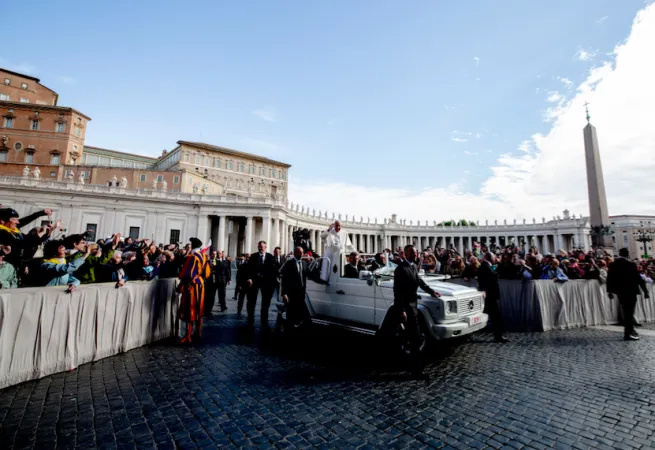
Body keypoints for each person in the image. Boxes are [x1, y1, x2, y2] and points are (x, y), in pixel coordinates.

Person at [392, 244, 440, 376]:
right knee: (414, 338)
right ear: (406, 254)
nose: (415, 254)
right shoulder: (400, 269)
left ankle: (414, 367)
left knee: (414, 338)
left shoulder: (413, 266)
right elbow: (397, 292)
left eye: (416, 252)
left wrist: (432, 292)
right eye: (412, 253)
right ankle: (416, 369)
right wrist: (401, 310)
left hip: (413, 306)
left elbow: (420, 282)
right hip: (407, 308)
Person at [607, 248, 649, 341]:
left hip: (620, 291)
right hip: (631, 290)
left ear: (620, 253)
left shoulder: (614, 264)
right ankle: (628, 332)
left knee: (626, 311)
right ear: (627, 254)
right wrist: (645, 291)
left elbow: (609, 278)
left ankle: (630, 331)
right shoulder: (631, 264)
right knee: (630, 312)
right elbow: (638, 279)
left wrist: (609, 291)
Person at [178, 238, 211, 344]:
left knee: (189, 308)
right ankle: (198, 332)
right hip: (200, 283)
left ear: (192, 246)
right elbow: (207, 273)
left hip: (191, 285)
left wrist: (181, 286)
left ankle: (188, 335)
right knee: (199, 308)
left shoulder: (191, 257)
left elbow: (186, 274)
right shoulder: (204, 256)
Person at [477, 252, 509, 343]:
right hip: (490, 295)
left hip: (489, 294)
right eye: (494, 256)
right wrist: (499, 265)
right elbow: (491, 277)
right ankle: (498, 336)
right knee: (496, 316)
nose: (495, 258)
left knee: (494, 316)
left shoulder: (486, 266)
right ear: (490, 257)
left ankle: (498, 335)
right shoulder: (485, 266)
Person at [246, 241, 277, 331]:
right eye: (259, 247)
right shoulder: (253, 256)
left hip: (266, 283)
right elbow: (249, 269)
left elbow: (273, 270)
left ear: (266, 247)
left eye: (262, 247)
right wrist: (249, 278)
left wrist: (272, 282)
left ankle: (264, 323)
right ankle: (250, 322)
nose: (260, 248)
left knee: (265, 305)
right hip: (254, 282)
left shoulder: (270, 257)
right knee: (251, 303)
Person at [279, 246, 311, 329]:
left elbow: (311, 274)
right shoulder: (289, 263)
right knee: (290, 313)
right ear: (295, 253)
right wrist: (284, 294)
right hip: (291, 294)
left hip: (301, 293)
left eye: (302, 252)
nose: (301, 254)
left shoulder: (304, 263)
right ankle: (288, 331)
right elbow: (284, 280)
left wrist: (322, 281)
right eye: (299, 252)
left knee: (300, 313)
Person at [205, 250, 231, 316]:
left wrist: (228, 279)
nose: (216, 255)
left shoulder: (223, 261)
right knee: (211, 296)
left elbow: (227, 270)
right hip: (213, 281)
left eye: (218, 254)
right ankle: (208, 309)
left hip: (221, 280)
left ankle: (223, 306)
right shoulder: (212, 261)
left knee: (222, 294)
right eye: (216, 254)